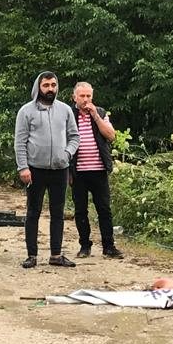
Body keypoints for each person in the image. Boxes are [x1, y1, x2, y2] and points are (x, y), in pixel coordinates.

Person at [14, 71, 80, 268]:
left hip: (60, 169)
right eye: (46, 85)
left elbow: (74, 137)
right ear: (38, 87)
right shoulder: (26, 111)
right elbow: (20, 142)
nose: (50, 89)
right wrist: (23, 167)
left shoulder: (65, 110)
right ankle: (32, 255)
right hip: (35, 169)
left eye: (53, 85)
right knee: (33, 212)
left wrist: (67, 154)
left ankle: (56, 255)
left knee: (58, 212)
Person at [71, 82, 124, 259]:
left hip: (99, 170)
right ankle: (84, 246)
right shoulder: (69, 115)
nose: (86, 100)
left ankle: (109, 246)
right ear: (75, 98)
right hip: (78, 171)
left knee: (104, 209)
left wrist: (95, 116)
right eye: (82, 96)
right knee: (80, 210)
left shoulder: (100, 112)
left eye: (89, 96)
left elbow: (111, 136)